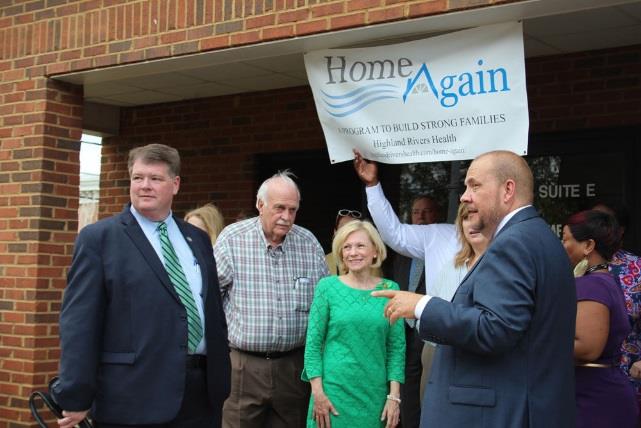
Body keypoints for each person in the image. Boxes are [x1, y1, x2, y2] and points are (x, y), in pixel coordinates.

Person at [371, 150, 577, 427]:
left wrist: (421, 305)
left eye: (475, 185)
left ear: (508, 190)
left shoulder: (513, 242)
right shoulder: (539, 238)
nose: (464, 196)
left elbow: (494, 328)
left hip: (499, 412)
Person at [52, 143, 231, 428]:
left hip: (201, 396)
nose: (144, 186)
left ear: (175, 184)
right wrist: (75, 394)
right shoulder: (99, 239)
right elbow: (79, 324)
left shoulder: (196, 239)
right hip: (132, 398)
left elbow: (211, 310)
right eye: (138, 178)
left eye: (155, 179)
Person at [214, 170, 329, 428]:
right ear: (260, 204)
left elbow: (324, 305)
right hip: (243, 366)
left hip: (293, 367)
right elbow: (211, 301)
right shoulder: (233, 240)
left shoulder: (308, 243)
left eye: (293, 210)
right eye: (279, 208)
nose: (286, 217)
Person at [303, 220, 405, 428]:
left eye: (360, 246)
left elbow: (396, 348)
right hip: (332, 395)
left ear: (375, 251)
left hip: (374, 396)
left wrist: (394, 397)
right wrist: (318, 393)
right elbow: (313, 345)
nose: (353, 253)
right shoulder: (327, 287)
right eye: (346, 247)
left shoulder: (390, 289)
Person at [562, 210, 639, 428]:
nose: (562, 246)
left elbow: (587, 348)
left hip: (596, 401)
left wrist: (535, 340)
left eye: (566, 239)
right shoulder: (604, 280)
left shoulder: (592, 284)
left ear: (588, 245)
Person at [390, 196, 439, 428]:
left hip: (428, 327)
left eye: (427, 212)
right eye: (416, 212)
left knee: (428, 384)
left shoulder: (442, 247)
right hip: (402, 328)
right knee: (407, 383)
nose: (421, 217)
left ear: (436, 215)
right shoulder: (402, 250)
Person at [593, 203, 641, 403]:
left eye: (604, 222)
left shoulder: (637, 269)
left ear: (620, 230)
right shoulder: (571, 265)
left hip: (627, 377)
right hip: (578, 380)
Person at [325, 209, 363, 275]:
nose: (347, 233)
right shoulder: (325, 261)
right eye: (343, 228)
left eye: (352, 229)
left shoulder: (367, 260)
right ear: (335, 232)